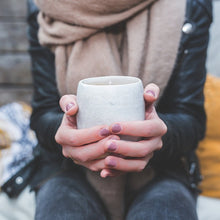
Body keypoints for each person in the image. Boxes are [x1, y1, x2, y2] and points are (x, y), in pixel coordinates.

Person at [27, 0, 212, 219]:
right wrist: (67, 133)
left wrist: (155, 135)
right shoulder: (48, 5)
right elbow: (42, 114)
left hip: (163, 171)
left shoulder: (189, 5)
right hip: (66, 170)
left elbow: (191, 119)